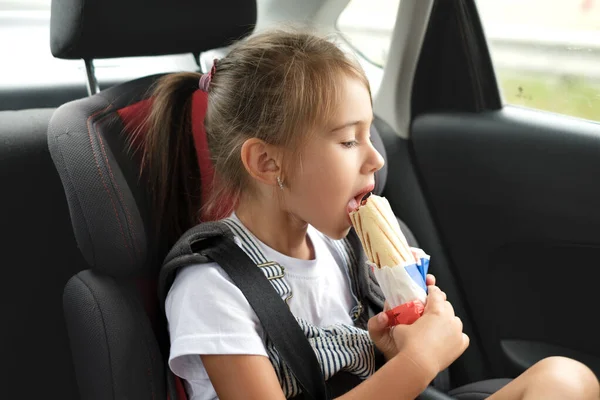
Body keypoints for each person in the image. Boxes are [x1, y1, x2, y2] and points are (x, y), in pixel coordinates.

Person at [139, 29, 600, 400]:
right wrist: (416, 365)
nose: (375, 159)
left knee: (566, 380)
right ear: (267, 163)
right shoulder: (212, 290)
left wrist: (389, 349)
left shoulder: (341, 250)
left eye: (369, 133)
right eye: (347, 140)